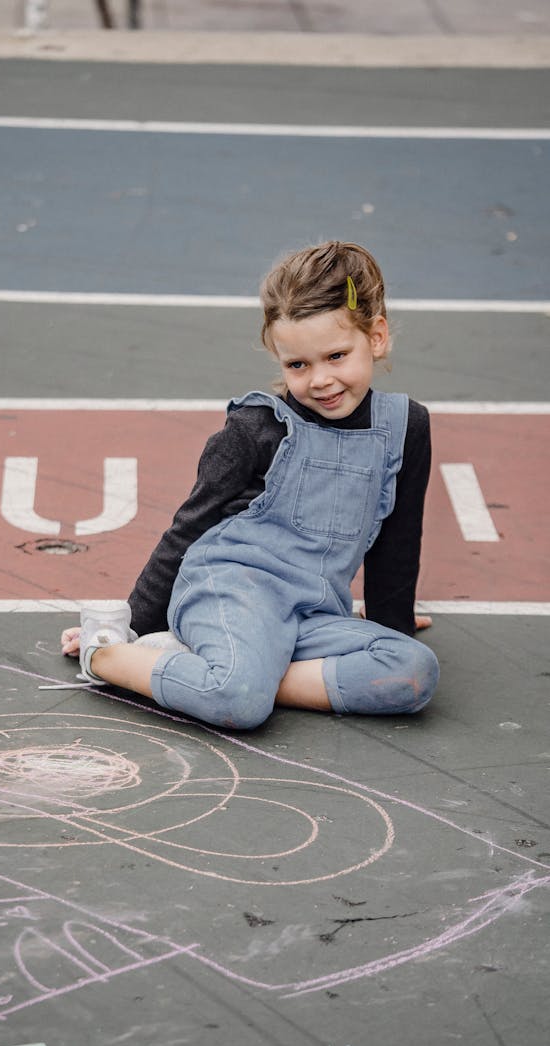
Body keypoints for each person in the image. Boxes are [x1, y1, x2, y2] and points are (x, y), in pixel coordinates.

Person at [61, 241, 439, 729]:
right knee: (237, 702)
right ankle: (109, 657)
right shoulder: (257, 427)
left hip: (313, 611)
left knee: (412, 671)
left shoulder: (405, 426)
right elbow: (189, 526)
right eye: (297, 365)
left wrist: (394, 625)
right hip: (231, 594)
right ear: (277, 356)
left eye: (336, 356)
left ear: (378, 337)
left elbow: (397, 539)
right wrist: (132, 626)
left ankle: (226, 671)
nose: (320, 380)